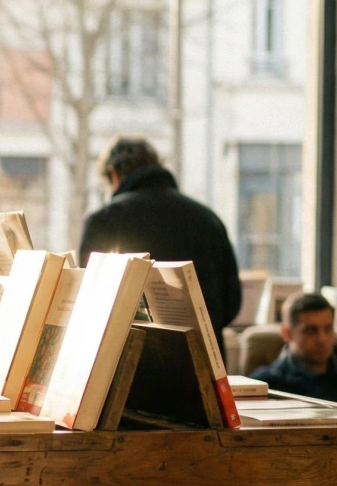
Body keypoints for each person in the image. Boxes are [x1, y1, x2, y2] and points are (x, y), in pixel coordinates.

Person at [78, 136, 242, 350]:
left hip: (130, 364)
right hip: (202, 364)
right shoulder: (208, 219)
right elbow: (231, 303)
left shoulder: (105, 219)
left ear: (113, 174)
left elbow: (91, 301)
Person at [248, 292, 337, 407]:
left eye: (328, 329)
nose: (322, 339)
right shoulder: (265, 385)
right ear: (287, 334)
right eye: (311, 331)